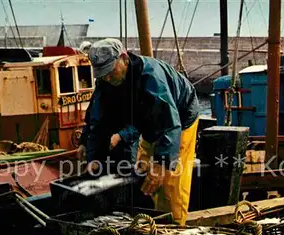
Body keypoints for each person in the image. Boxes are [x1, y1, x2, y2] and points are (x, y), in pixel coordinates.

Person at [86, 38, 200, 225]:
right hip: (146, 122)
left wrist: (162, 163)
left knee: (171, 181)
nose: (107, 78)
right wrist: (93, 155)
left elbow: (169, 124)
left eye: (109, 71)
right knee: (145, 175)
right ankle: (153, 222)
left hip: (180, 117)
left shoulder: (152, 77)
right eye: (101, 74)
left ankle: (175, 227)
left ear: (123, 58)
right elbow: (98, 120)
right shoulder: (106, 81)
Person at [78, 92, 139, 172]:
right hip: (98, 157)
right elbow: (90, 121)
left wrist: (120, 136)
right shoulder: (98, 92)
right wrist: (83, 143)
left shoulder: (131, 90)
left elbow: (140, 125)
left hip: (122, 156)